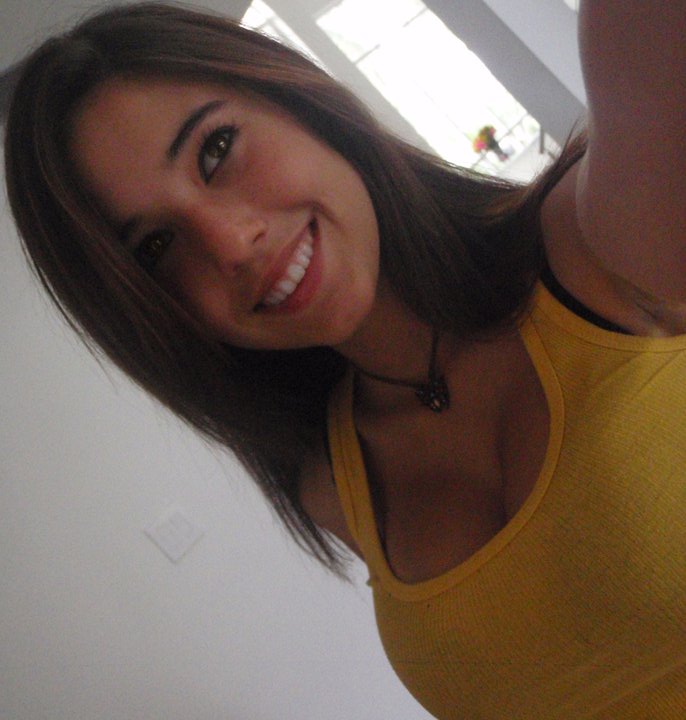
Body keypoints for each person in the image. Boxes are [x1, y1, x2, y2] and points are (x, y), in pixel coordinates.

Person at [4, 2, 685, 718]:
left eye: (216, 150)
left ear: (299, 100)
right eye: (155, 247)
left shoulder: (596, 245)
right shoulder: (334, 485)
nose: (232, 245)